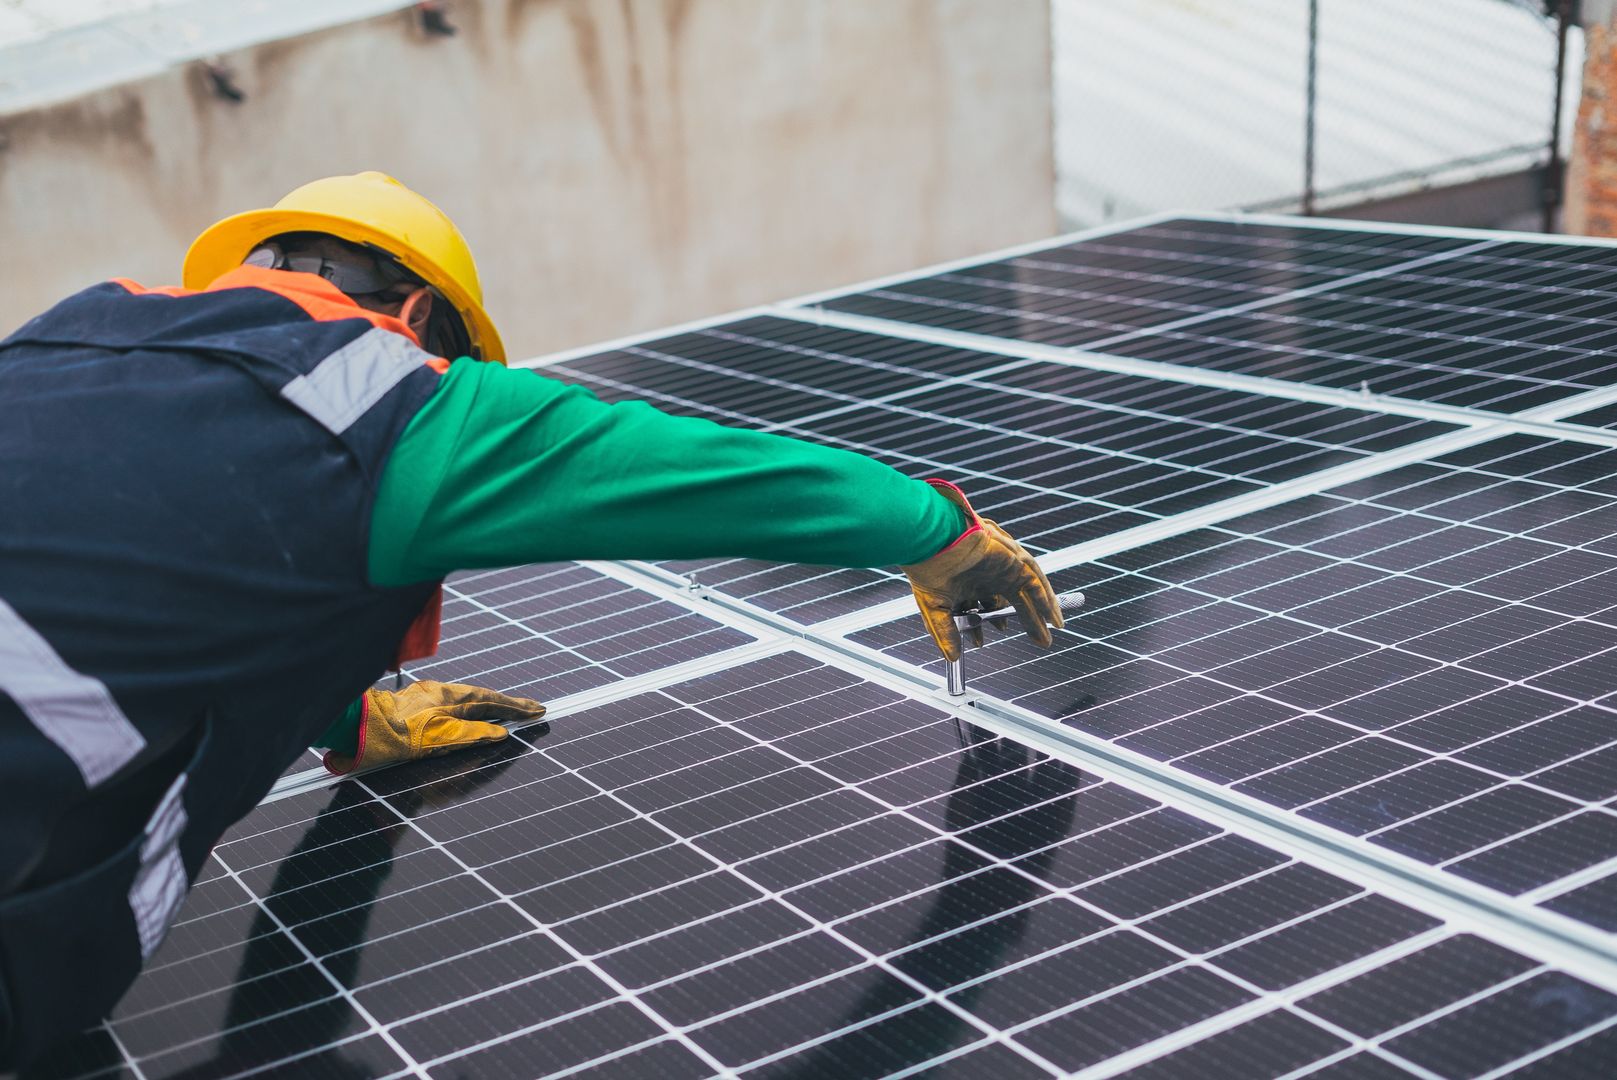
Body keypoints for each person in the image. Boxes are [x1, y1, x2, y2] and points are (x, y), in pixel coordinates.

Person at [0, 172, 1061, 1068]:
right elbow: (713, 473)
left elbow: (148, 554)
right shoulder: (395, 397)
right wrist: (942, 535)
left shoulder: (57, 339)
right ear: (422, 319)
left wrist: (347, 720)